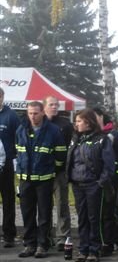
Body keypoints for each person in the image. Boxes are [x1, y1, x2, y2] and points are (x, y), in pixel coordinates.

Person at [15, 101, 66, 258]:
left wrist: (52, 169)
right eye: (30, 113)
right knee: (27, 213)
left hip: (44, 179)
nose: (32, 116)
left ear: (43, 113)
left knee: (44, 214)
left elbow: (60, 154)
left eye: (36, 113)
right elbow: (18, 151)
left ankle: (43, 245)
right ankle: (29, 244)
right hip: (26, 179)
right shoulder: (21, 129)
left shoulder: (53, 131)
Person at [66, 109, 115, 262]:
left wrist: (100, 182)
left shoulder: (101, 139)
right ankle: (83, 248)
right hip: (77, 184)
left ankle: (94, 249)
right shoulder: (75, 139)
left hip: (93, 184)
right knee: (82, 218)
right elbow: (71, 160)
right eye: (76, 121)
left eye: (79, 121)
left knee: (94, 218)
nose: (76, 124)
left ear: (88, 122)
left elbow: (109, 164)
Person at [94, 107, 118, 255]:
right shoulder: (94, 135)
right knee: (101, 211)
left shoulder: (113, 135)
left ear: (102, 117)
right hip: (98, 179)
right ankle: (102, 239)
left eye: (95, 116)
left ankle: (114, 240)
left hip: (114, 180)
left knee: (113, 210)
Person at [43, 96, 74, 251]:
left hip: (60, 172)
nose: (54, 107)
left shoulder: (65, 124)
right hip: (42, 172)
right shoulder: (39, 123)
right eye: (51, 104)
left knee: (62, 205)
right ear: (44, 107)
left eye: (56, 105)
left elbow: (70, 148)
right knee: (44, 206)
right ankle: (45, 236)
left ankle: (63, 237)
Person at [0, 87, 21, 248]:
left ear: (2, 97)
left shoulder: (11, 116)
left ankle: (9, 235)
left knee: (8, 200)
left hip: (6, 164)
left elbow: (19, 137)